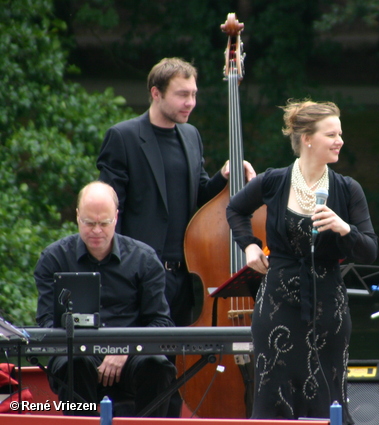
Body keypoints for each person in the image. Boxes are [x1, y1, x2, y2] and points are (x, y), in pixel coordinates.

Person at [226, 99, 378, 423]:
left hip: (328, 310)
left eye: (340, 134)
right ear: (307, 138)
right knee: (273, 397)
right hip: (277, 306)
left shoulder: (348, 189)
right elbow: (235, 210)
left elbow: (369, 250)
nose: (340, 140)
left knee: (328, 397)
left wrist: (344, 229)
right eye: (331, 134)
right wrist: (250, 247)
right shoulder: (274, 181)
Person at [97, 57, 256, 327]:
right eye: (182, 95)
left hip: (184, 276)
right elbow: (112, 210)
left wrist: (225, 175)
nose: (191, 102)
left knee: (176, 363)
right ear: (156, 93)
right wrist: (116, 272)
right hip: (139, 274)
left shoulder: (191, 135)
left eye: (193, 94)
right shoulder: (123, 137)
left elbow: (200, 197)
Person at [34, 181, 177, 417]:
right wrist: (84, 346)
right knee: (74, 363)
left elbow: (160, 322)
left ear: (116, 217)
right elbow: (47, 324)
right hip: (76, 353)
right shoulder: (54, 258)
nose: (97, 230)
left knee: (158, 367)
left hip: (133, 354)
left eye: (104, 223)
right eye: (89, 223)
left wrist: (126, 348)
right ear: (78, 216)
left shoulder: (144, 259)